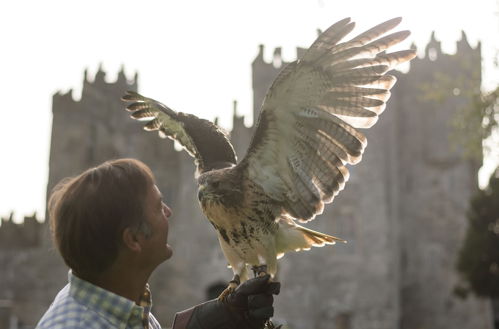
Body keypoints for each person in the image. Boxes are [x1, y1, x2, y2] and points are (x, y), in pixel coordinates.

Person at [36, 158, 279, 329]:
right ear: (133, 239)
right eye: (158, 207)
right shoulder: (75, 325)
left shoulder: (122, 303)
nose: (169, 211)